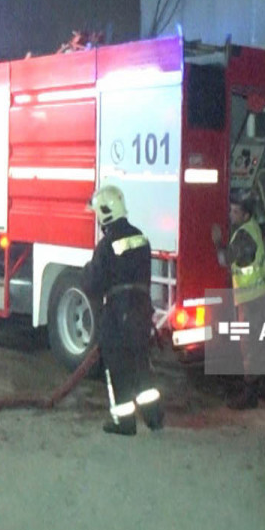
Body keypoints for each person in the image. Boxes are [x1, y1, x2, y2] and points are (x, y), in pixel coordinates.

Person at [83, 184, 164, 436]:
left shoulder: (106, 245)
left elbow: (93, 284)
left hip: (118, 315)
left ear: (105, 213)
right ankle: (154, 418)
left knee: (118, 370)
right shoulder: (140, 238)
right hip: (141, 310)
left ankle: (124, 423)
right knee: (141, 367)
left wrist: (86, 270)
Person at [217, 194, 265, 409]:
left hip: (249, 299)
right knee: (258, 344)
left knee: (249, 346)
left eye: (235, 212)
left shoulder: (243, 235)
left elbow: (224, 259)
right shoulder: (252, 228)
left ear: (246, 215)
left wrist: (216, 241)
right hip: (258, 295)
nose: (231, 215)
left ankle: (250, 396)